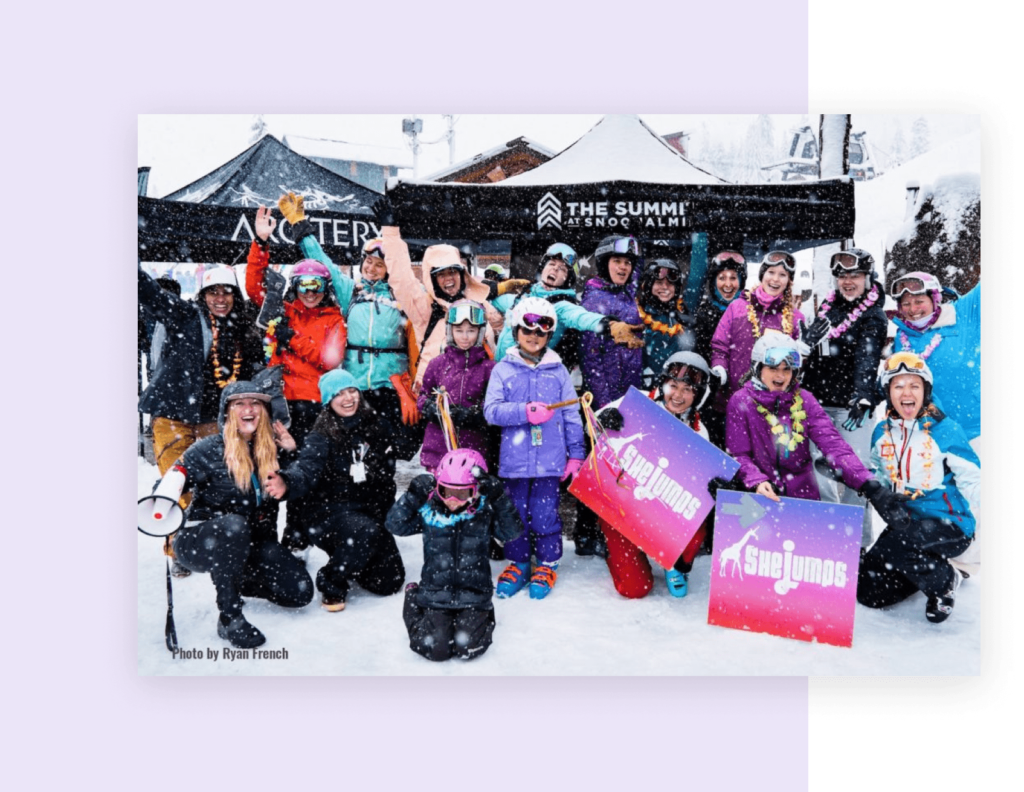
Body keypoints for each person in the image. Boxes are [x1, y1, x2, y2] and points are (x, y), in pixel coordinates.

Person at [152, 381, 314, 648]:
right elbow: (169, 483)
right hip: (200, 541)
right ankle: (230, 616)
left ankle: (238, 580)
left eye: (255, 404)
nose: (248, 409)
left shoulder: (272, 450)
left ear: (264, 411)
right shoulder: (207, 450)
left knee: (299, 593)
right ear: (227, 412)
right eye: (239, 404)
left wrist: (292, 452)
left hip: (251, 542)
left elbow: (303, 483)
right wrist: (165, 495)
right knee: (233, 525)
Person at [138, 262, 264, 576]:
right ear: (203, 295)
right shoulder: (184, 316)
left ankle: (199, 541)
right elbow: (148, 292)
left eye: (226, 292)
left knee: (209, 487)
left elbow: (251, 377)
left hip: (212, 419)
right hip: (173, 416)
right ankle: (175, 548)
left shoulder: (242, 330)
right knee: (176, 483)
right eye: (213, 292)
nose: (220, 298)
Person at [264, 369, 418, 611]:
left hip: (367, 513)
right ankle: (332, 580)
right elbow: (305, 469)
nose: (348, 398)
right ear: (328, 400)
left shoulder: (376, 424)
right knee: (362, 532)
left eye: (352, 391)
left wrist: (418, 408)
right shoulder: (321, 434)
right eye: (339, 394)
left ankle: (351, 554)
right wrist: (287, 481)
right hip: (330, 513)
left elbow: (405, 449)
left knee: (389, 582)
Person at [245, 206, 347, 549]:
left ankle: (298, 535)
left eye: (316, 284)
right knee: (270, 467)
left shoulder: (334, 319)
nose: (310, 291)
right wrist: (261, 242)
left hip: (313, 406)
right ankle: (264, 538)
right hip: (278, 403)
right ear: (295, 286)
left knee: (304, 470)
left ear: (326, 287)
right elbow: (256, 289)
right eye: (304, 284)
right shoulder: (284, 311)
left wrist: (292, 339)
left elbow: (330, 359)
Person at [276, 193, 419, 431]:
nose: (371, 268)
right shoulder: (350, 291)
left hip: (391, 384)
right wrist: (299, 225)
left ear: (388, 269)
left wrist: (391, 230)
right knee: (357, 444)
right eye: (368, 262)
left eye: (379, 264)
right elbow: (323, 262)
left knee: (388, 448)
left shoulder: (400, 294)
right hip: (356, 385)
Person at [858, 352, 980, 623]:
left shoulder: (945, 431)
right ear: (888, 392)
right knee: (870, 593)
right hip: (906, 523)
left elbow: (974, 479)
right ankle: (922, 570)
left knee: (899, 545)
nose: (906, 393)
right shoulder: (882, 432)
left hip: (949, 524)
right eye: (898, 385)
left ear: (926, 390)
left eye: (914, 385)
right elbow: (878, 474)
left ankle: (945, 581)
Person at [725, 331, 888, 521]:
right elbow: (738, 453)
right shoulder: (741, 401)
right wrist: (756, 480)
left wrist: (869, 485)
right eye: (773, 368)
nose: (780, 375)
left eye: (787, 369)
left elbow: (834, 446)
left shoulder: (805, 400)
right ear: (757, 368)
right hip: (758, 500)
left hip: (801, 499)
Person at [483, 298, 585, 599]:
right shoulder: (503, 369)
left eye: (541, 331)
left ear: (549, 336)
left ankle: (547, 562)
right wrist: (524, 412)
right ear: (516, 332)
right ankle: (519, 562)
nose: (534, 336)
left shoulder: (559, 371)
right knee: (515, 514)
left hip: (550, 461)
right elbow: (492, 410)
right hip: (514, 462)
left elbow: (571, 414)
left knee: (544, 513)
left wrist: (576, 453)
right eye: (527, 329)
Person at [595, 352, 719, 599]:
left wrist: (708, 484)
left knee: (700, 513)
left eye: (688, 389)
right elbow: (592, 427)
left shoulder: (697, 430)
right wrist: (603, 422)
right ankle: (616, 548)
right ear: (662, 383)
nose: (678, 395)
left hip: (661, 508)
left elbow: (694, 485)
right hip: (623, 506)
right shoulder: (636, 403)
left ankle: (675, 561)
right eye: (673, 385)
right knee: (634, 589)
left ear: (698, 395)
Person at [386, 449, 525, 661]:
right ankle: (414, 598)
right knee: (435, 649)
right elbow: (395, 525)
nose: (452, 500)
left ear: (477, 491)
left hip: (474, 594)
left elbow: (511, 531)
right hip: (436, 592)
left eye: (461, 494)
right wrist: (412, 497)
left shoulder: (483, 513)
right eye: (445, 490)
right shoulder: (430, 512)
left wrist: (499, 498)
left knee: (469, 648)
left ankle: (481, 618)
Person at [800, 249, 887, 546]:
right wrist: (805, 345)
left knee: (857, 474)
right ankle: (824, 538)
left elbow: (868, 357)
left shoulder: (873, 316)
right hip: (818, 405)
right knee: (818, 473)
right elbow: (810, 358)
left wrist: (862, 395)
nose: (848, 282)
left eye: (855, 276)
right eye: (843, 276)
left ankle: (857, 547)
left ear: (867, 277)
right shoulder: (826, 308)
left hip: (854, 409)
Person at [576, 235, 645, 556]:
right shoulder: (594, 301)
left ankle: (612, 529)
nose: (623, 267)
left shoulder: (630, 296)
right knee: (600, 470)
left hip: (629, 397)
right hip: (606, 403)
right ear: (605, 264)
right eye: (618, 261)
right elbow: (592, 361)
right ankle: (587, 533)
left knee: (619, 469)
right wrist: (605, 406)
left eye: (628, 263)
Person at [490, 242, 642, 364]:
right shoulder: (522, 296)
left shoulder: (561, 305)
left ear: (567, 278)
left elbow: (581, 317)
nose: (555, 269)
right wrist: (497, 288)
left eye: (562, 269)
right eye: (551, 264)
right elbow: (488, 297)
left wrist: (610, 325)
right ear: (543, 268)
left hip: (528, 374)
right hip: (500, 371)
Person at [710, 251, 807, 431]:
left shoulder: (795, 318)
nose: (775, 279)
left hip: (772, 410)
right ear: (762, 274)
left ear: (789, 281)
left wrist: (802, 351)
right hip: (731, 401)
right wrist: (720, 369)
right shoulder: (738, 307)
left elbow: (797, 368)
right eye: (771, 272)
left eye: (782, 275)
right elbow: (720, 346)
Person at [886, 271, 981, 440]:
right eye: (906, 304)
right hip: (930, 436)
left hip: (975, 430)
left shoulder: (964, 314)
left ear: (935, 298)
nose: (913, 309)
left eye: (919, 301)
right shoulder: (902, 338)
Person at [417, 300, 497, 473]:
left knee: (468, 494)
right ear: (450, 331)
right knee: (440, 494)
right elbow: (423, 395)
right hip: (439, 447)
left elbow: (493, 403)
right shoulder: (437, 364)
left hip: (473, 447)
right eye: (459, 330)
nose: (465, 337)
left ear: (480, 332)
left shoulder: (489, 368)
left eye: (471, 331)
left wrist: (472, 415)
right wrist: (432, 408)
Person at [693, 250, 747, 447]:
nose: (728, 284)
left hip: (744, 399)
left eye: (734, 278)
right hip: (712, 402)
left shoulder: (750, 311)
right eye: (722, 277)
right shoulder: (704, 313)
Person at [636, 258, 698, 389]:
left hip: (675, 393)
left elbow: (698, 274)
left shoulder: (683, 313)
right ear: (648, 285)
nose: (665, 287)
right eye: (659, 282)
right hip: (643, 391)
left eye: (670, 283)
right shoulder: (636, 313)